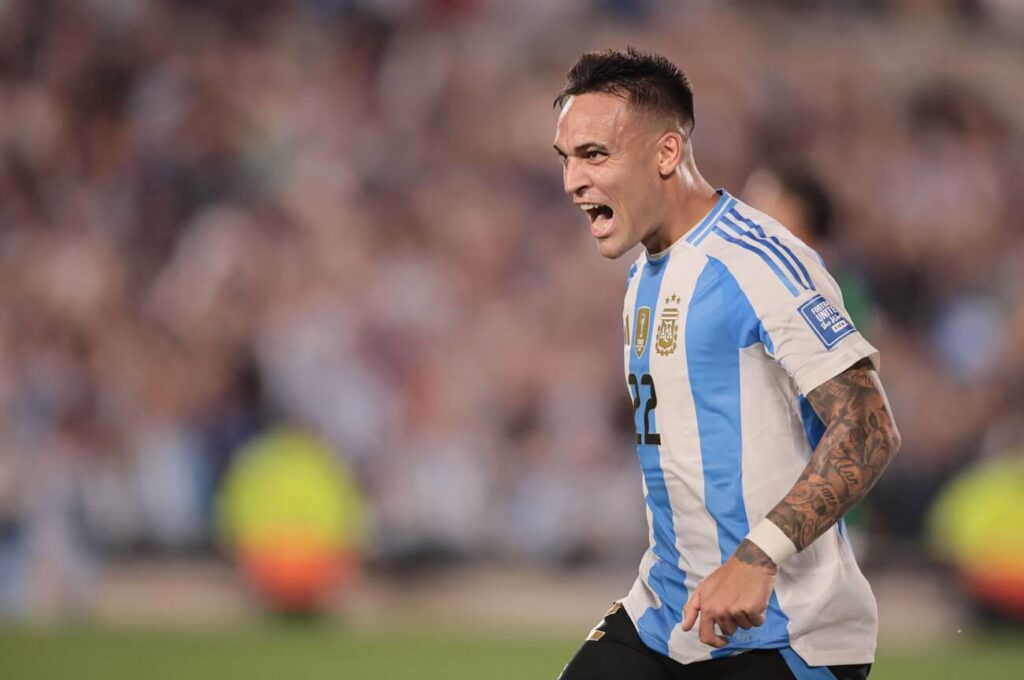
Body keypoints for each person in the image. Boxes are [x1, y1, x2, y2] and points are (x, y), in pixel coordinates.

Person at [551, 48, 901, 680]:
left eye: (595, 155)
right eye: (567, 158)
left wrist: (757, 556)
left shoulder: (758, 261)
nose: (573, 180)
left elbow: (870, 428)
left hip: (790, 632)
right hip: (668, 617)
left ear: (666, 154)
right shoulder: (641, 278)